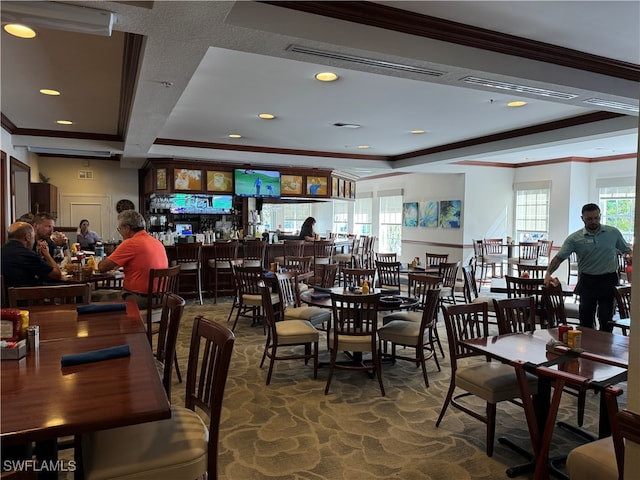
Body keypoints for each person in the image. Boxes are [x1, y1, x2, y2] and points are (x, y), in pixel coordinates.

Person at [544, 203, 632, 331]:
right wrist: (548, 273)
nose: (593, 221)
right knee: (585, 320)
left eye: (596, 218)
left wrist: (629, 256)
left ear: (600, 216)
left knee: (606, 318)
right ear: (582, 219)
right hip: (587, 281)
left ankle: (604, 350)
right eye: (589, 219)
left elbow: (627, 250)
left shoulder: (612, 233)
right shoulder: (574, 238)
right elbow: (559, 258)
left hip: (608, 279)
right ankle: (586, 348)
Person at [97, 210, 168, 309]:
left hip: (139, 300)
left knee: (96, 298)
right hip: (161, 299)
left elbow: (102, 267)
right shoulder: (157, 242)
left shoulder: (131, 243)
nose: (120, 232)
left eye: (119, 229)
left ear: (127, 229)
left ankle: (113, 324)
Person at [1, 221, 62, 287]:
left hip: (6, 294)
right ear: (27, 237)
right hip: (27, 294)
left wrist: (39, 257)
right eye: (33, 236)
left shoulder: (2, 250)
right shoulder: (26, 254)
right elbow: (57, 275)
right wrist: (47, 255)